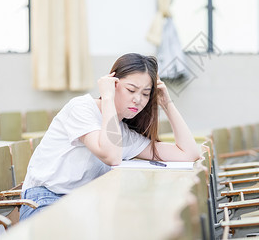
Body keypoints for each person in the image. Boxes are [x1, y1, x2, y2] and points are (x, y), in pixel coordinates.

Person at [19, 53, 200, 220]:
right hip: (45, 200)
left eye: (146, 94)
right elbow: (111, 155)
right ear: (113, 84)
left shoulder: (123, 134)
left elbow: (189, 154)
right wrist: (107, 97)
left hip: (82, 205)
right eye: (131, 90)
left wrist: (166, 103)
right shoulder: (81, 108)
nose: (138, 99)